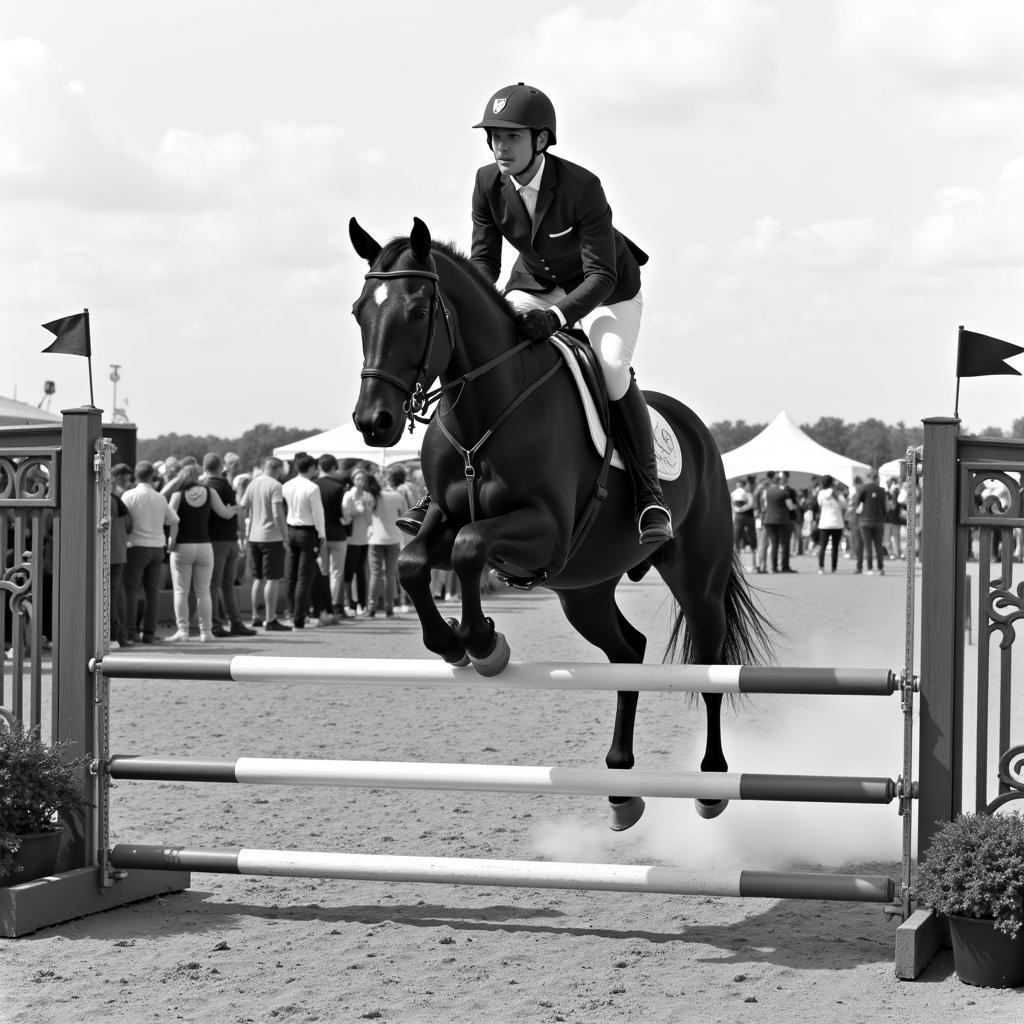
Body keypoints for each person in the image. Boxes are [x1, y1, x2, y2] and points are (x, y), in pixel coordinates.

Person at [397, 81, 671, 546]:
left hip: (607, 291)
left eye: (512, 137)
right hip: (533, 285)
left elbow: (600, 275)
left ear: (540, 140)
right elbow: (484, 262)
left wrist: (558, 318)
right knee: (483, 353)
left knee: (611, 368)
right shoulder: (487, 182)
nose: (500, 146)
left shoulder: (582, 186)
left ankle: (648, 494)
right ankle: (441, 491)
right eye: (494, 137)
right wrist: (474, 304)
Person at [122, 461, 179, 644]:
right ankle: (149, 632)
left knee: (131, 591)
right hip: (157, 547)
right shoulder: (159, 498)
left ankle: (130, 632)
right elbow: (174, 520)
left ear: (136, 476)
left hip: (136, 546)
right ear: (152, 476)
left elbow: (123, 519)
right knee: (152, 592)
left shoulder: (129, 495)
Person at [201, 453, 256, 637]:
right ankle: (236, 622)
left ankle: (215, 624)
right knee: (228, 586)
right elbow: (238, 511)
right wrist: (240, 536)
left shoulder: (207, 486)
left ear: (204, 467)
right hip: (231, 539)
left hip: (216, 541)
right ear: (221, 467)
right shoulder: (227, 485)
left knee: (213, 585)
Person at [241, 457, 291, 632]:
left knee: (258, 578)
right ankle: (271, 618)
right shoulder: (275, 485)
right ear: (278, 470)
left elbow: (243, 506)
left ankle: (256, 616)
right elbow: (278, 513)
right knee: (272, 578)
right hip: (272, 537)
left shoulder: (253, 483)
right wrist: (285, 537)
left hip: (254, 536)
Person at [281, 454, 327, 629]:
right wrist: (322, 535)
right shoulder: (312, 487)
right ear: (310, 468)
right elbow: (317, 514)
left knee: (291, 575)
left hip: (291, 530)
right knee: (304, 577)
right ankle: (299, 617)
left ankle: (290, 611)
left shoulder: (286, 485)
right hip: (307, 532)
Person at [364, 467, 410, 618]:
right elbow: (404, 513)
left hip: (375, 538)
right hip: (393, 538)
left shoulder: (373, 496)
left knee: (375, 574)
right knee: (390, 574)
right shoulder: (397, 496)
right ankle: (389, 606)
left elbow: (367, 515)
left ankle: (372, 607)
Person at [342, 467, 373, 614]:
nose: (360, 482)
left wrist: (366, 508)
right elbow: (345, 516)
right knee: (349, 572)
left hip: (363, 538)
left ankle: (362, 604)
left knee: (361, 572)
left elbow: (369, 521)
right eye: (358, 479)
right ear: (353, 480)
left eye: (362, 479)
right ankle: (349, 604)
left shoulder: (367, 496)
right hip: (350, 539)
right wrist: (354, 511)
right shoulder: (348, 496)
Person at [109, 463, 134, 647]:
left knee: (111, 597)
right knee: (118, 595)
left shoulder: (102, 499)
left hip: (105, 555)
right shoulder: (117, 500)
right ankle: (120, 635)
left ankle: (115, 635)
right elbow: (129, 525)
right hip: (118, 553)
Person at [760, 471, 798, 573]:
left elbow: (764, 505)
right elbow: (790, 507)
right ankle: (785, 566)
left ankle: (774, 567)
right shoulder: (783, 492)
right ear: (779, 481)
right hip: (782, 520)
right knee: (784, 544)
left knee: (774, 544)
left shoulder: (766, 491)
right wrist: (795, 507)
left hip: (768, 520)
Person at [855, 470, 888, 576]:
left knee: (868, 545)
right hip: (879, 521)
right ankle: (880, 568)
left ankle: (869, 568)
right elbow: (885, 507)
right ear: (877, 478)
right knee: (878, 545)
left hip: (865, 520)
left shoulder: (863, 488)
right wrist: (884, 517)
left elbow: (857, 502)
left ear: (870, 478)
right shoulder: (882, 490)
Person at [816, 475, 847, 574]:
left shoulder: (821, 493)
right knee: (835, 547)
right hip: (837, 522)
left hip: (824, 523)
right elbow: (844, 505)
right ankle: (834, 567)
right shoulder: (837, 493)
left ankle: (821, 567)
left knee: (823, 546)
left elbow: (820, 504)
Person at [730, 476, 757, 571]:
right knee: (736, 540)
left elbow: (750, 504)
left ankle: (753, 565)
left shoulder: (747, 494)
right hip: (739, 517)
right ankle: (736, 565)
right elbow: (732, 506)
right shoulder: (736, 493)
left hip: (744, 517)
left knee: (751, 539)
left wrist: (738, 509)